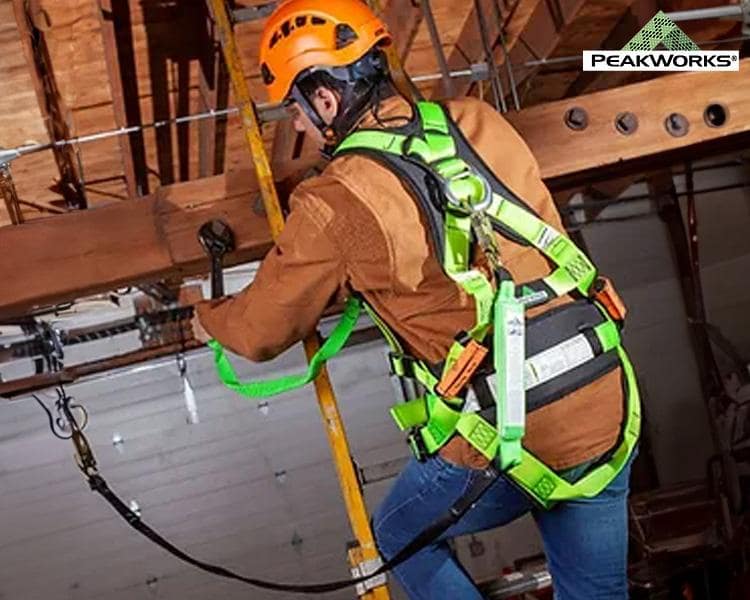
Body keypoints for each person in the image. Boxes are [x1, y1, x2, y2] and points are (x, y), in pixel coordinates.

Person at [192, 1, 640, 598]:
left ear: (325, 99)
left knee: (397, 536)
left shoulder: (332, 203)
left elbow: (259, 331)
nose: (297, 126)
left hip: (509, 433)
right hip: (602, 394)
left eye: (295, 110)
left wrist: (206, 318)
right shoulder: (478, 121)